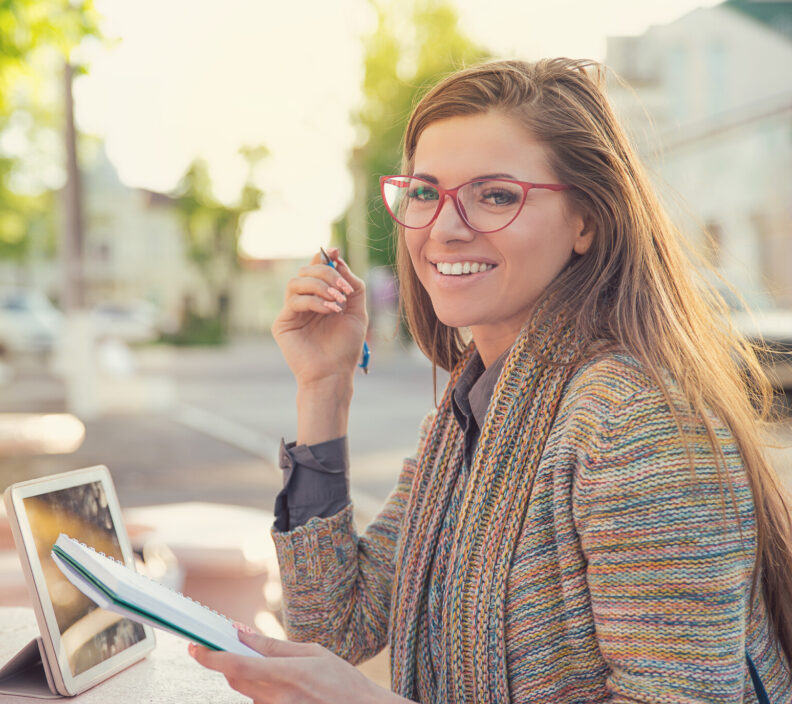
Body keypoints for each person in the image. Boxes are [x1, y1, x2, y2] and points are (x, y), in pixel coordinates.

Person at [190, 58, 792, 702]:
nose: (446, 228)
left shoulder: (634, 424)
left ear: (586, 222)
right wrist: (324, 386)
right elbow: (332, 631)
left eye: (496, 195)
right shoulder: (471, 413)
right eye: (425, 193)